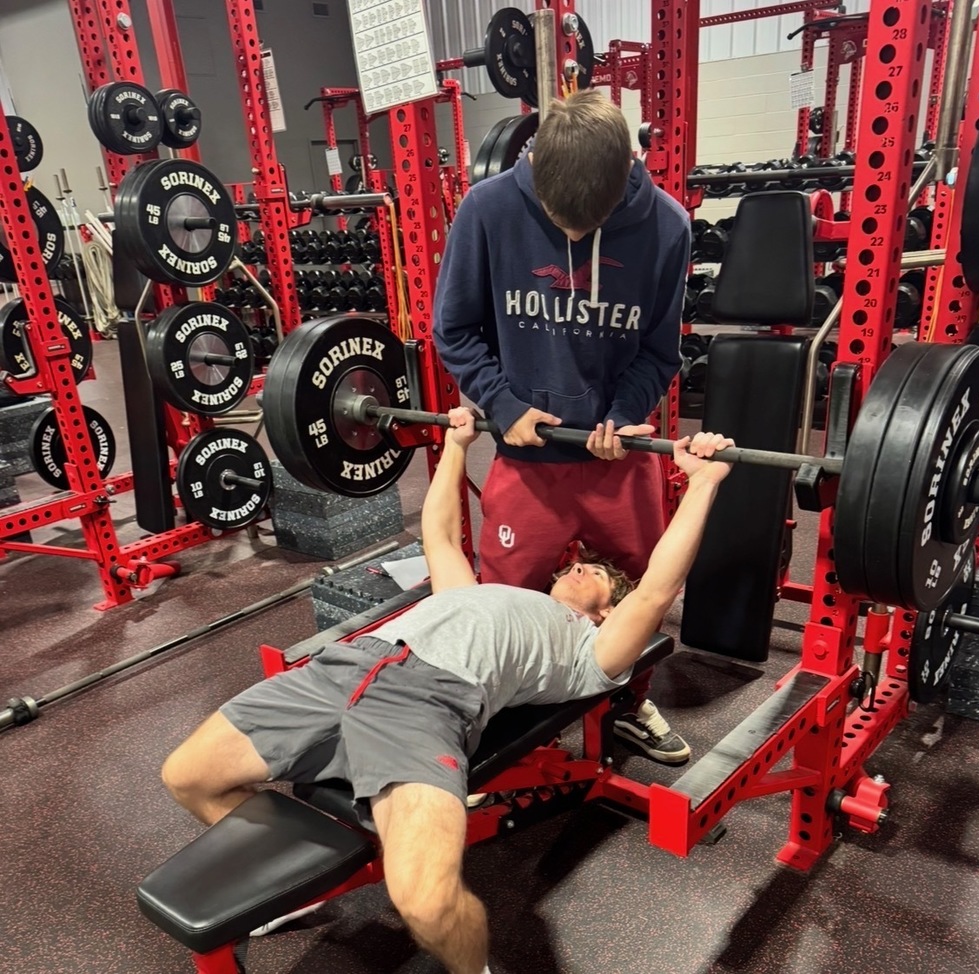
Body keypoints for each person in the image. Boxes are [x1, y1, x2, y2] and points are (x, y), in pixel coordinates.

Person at [161, 411, 733, 974]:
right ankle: (297, 885)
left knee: (428, 902)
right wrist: (457, 444)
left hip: (427, 702)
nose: (580, 565)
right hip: (339, 670)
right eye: (579, 564)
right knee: (188, 775)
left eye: (597, 575)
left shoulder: (592, 650)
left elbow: (656, 592)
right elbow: (438, 534)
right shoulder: (480, 591)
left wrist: (702, 483)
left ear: (608, 610)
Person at [433, 88, 692, 763]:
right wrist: (502, 403)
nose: (574, 237)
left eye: (590, 223)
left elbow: (661, 350)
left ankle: (631, 704)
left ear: (626, 175)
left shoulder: (667, 227)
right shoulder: (487, 211)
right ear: (535, 172)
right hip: (528, 455)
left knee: (636, 587)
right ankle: (492, 717)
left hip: (619, 457)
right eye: (557, 221)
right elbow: (454, 330)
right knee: (502, 598)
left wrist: (624, 410)